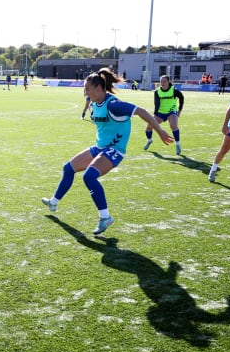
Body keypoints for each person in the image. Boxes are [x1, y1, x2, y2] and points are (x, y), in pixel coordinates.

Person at [41, 68, 173, 234]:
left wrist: (160, 132)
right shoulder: (94, 103)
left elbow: (141, 111)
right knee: (68, 168)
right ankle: (53, 202)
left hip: (115, 150)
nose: (84, 92)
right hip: (99, 148)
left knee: (89, 176)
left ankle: (105, 217)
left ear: (98, 88)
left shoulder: (114, 104)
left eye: (87, 89)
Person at [144, 75, 185, 154]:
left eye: (164, 81)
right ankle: (149, 140)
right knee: (149, 127)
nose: (162, 83)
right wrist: (155, 116)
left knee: (173, 125)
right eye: (161, 81)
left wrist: (179, 110)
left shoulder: (174, 90)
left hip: (171, 111)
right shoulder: (157, 91)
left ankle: (178, 144)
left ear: (168, 82)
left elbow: (181, 98)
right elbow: (156, 104)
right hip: (160, 112)